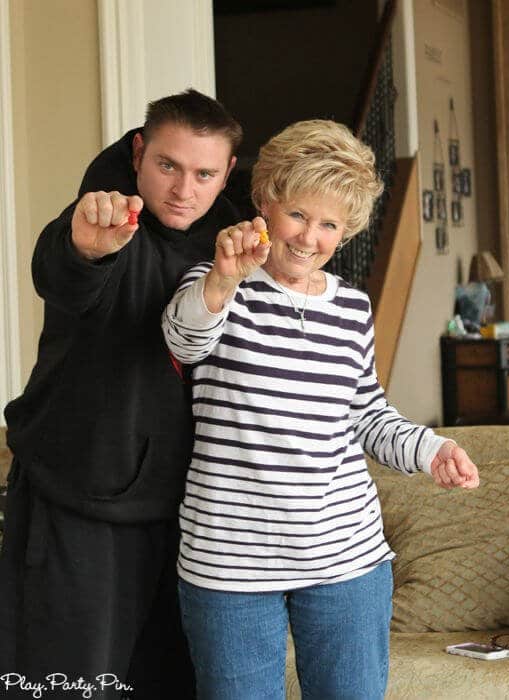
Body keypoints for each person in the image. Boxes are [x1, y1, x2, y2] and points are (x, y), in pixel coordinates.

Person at [162, 119, 480, 700]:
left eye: (330, 224)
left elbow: (366, 413)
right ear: (265, 203)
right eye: (299, 215)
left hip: (346, 559)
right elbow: (184, 342)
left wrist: (433, 448)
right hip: (230, 562)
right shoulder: (214, 286)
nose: (310, 238)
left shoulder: (353, 309)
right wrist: (223, 279)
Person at [0, 89, 242, 699]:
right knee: (61, 688)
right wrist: (88, 249)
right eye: (167, 165)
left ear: (227, 174)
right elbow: (62, 272)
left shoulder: (235, 247)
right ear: (139, 152)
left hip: (189, 517)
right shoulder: (97, 218)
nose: (183, 189)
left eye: (203, 173)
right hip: (74, 500)